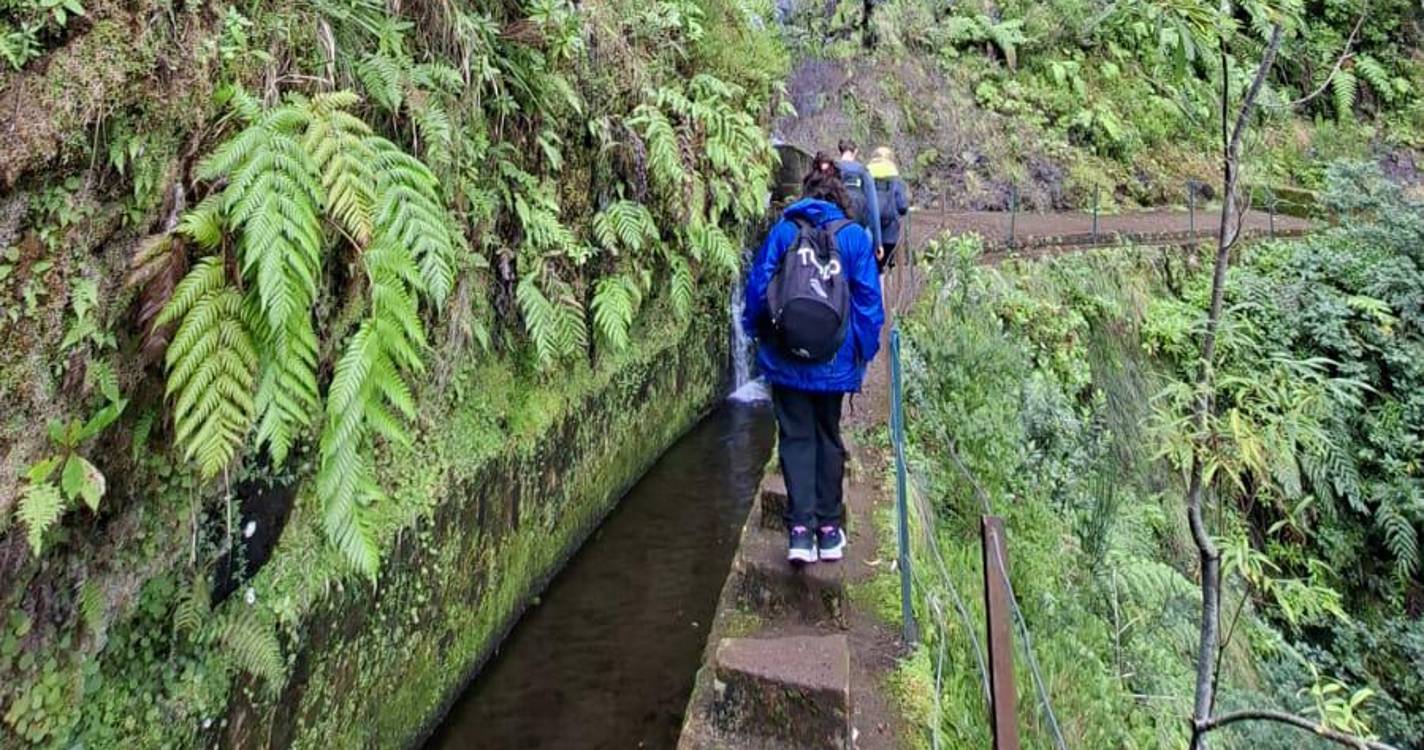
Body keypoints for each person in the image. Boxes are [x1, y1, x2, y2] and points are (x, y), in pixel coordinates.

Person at [742, 153, 886, 564]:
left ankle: (800, 532)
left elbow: (758, 288)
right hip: (835, 363)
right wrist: (861, 353)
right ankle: (830, 529)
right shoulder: (855, 237)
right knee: (828, 437)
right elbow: (869, 306)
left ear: (805, 193)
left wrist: (759, 335)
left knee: (795, 439)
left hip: (786, 358)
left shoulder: (785, 230)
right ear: (842, 197)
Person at [836, 139, 883, 256]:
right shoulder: (863, 172)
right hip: (861, 231)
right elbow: (873, 208)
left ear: (840, 151)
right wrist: (878, 242)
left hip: (837, 233)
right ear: (855, 152)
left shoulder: (833, 171)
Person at [867, 146, 910, 273]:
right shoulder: (896, 180)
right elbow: (902, 206)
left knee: (869, 268)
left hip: (870, 233)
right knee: (883, 268)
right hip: (889, 235)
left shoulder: (866, 176)